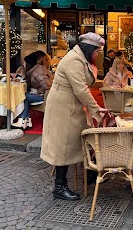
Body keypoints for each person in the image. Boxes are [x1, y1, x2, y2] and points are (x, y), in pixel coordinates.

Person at [41, 32, 105, 201]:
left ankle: (90, 174)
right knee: (65, 144)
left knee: (80, 139)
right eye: (97, 51)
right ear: (90, 49)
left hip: (71, 105)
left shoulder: (81, 58)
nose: (98, 55)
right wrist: (96, 110)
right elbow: (81, 89)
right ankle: (59, 187)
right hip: (63, 107)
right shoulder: (74, 60)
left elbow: (85, 84)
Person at [12, 51, 53, 129]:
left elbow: (47, 86)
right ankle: (26, 121)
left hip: (43, 96)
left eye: (24, 63)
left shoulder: (38, 71)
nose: (23, 65)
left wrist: (38, 92)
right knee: (24, 96)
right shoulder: (33, 71)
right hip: (40, 94)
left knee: (23, 97)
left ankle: (23, 120)